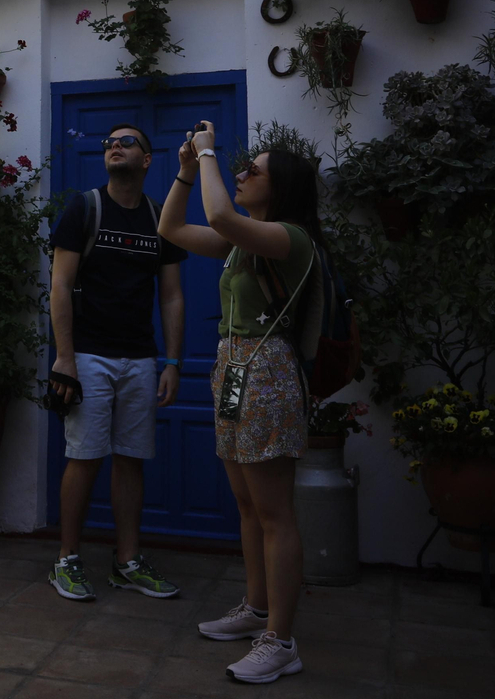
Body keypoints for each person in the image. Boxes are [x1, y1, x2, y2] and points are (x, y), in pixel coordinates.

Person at [159, 122, 318, 685]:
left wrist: (208, 153)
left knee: (275, 512)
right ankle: (256, 608)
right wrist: (185, 169)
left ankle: (282, 639)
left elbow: (221, 216)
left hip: (268, 373)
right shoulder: (243, 241)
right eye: (241, 167)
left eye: (254, 170)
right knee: (248, 504)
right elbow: (172, 227)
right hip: (232, 370)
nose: (242, 172)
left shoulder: (289, 238)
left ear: (281, 190)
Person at [46, 122, 187, 602]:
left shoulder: (159, 217)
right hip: (88, 355)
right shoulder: (84, 208)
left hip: (141, 358)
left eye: (127, 142)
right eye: (109, 142)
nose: (114, 147)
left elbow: (171, 296)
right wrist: (64, 357)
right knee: (83, 458)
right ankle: (66, 559)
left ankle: (127, 561)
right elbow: (60, 286)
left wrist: (171, 361)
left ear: (147, 160)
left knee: (131, 460)